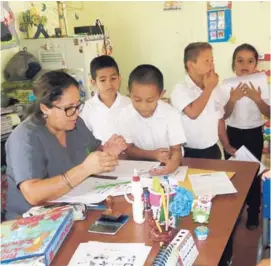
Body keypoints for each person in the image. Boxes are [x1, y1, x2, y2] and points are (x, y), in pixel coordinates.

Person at [5, 71, 127, 220]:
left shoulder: (74, 124)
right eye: (69, 108)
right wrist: (84, 169)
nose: (75, 113)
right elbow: (33, 195)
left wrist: (106, 152)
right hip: (31, 222)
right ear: (45, 108)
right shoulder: (25, 137)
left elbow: (91, 154)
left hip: (75, 208)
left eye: (77, 106)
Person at [222, 43, 270, 230]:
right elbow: (223, 115)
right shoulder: (227, 85)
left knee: (253, 173)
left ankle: (253, 212)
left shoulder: (261, 84)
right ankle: (235, 210)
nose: (245, 65)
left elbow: (269, 112)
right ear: (234, 64)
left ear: (255, 64)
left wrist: (256, 99)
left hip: (254, 134)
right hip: (232, 134)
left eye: (250, 61)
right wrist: (233, 99)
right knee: (233, 174)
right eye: (240, 60)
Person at [118, 64, 186, 176]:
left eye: (149, 101)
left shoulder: (171, 114)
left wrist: (171, 166)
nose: (143, 107)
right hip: (138, 166)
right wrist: (152, 155)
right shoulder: (125, 114)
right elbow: (128, 149)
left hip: (168, 164)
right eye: (137, 100)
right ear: (129, 92)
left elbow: (176, 150)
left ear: (161, 94)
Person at [170, 42, 235, 159]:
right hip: (189, 152)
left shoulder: (214, 88)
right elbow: (193, 113)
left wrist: (226, 145)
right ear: (191, 65)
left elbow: (219, 119)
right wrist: (209, 88)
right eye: (207, 61)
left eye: (212, 60)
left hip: (213, 150)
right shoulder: (180, 89)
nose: (212, 65)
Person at [81, 55, 131, 144]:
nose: (109, 84)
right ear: (93, 82)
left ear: (119, 78)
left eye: (113, 78)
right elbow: (84, 139)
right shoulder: (87, 108)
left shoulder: (129, 103)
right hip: (101, 156)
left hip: (129, 156)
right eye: (103, 80)